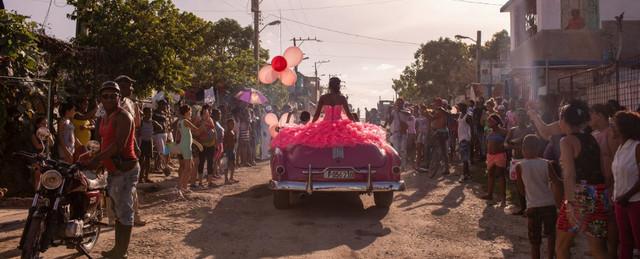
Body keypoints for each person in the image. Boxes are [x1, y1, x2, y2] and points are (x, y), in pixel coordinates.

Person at [81, 81, 139, 259]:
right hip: (113, 169)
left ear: (119, 98)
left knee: (124, 211)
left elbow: (118, 145)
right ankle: (118, 250)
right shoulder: (104, 117)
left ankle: (121, 253)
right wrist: (92, 157)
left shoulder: (123, 116)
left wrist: (97, 159)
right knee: (118, 211)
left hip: (125, 169)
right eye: (105, 96)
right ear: (100, 99)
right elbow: (102, 143)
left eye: (113, 95)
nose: (109, 99)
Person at [554, 100, 609, 259]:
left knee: (562, 247)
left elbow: (569, 174)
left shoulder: (566, 141)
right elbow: (602, 168)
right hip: (599, 193)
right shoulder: (592, 138)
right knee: (598, 249)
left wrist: (570, 203)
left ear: (564, 120)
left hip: (579, 196)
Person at [272, 77, 386, 151]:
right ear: (338, 86)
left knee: (321, 146)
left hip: (325, 125)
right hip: (340, 125)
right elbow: (349, 115)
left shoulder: (323, 97)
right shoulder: (341, 98)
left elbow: (316, 115)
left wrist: (310, 126)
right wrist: (358, 126)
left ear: (329, 86)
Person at [516, 134, 562, 259]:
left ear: (523, 149)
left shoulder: (519, 166)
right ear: (538, 148)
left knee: (534, 241)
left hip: (533, 206)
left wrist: (528, 197)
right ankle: (550, 257)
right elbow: (557, 182)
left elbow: (520, 189)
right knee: (551, 234)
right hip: (549, 204)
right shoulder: (547, 164)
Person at [590, 103, 622, 258]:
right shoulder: (595, 134)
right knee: (599, 216)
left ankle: (611, 252)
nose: (589, 118)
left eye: (592, 114)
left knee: (610, 219)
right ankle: (599, 248)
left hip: (609, 183)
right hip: (598, 183)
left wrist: (611, 178)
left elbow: (616, 157)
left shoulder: (610, 133)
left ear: (600, 115)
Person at [611, 111, 640, 259]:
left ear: (623, 128)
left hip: (636, 202)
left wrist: (626, 196)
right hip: (620, 202)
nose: (612, 129)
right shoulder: (620, 148)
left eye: (614, 125)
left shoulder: (637, 147)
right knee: (625, 242)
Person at [505, 109, 536, 215]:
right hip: (515, 160)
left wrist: (513, 143)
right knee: (518, 186)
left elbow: (532, 144)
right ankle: (523, 207)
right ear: (516, 117)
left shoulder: (529, 130)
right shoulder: (512, 130)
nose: (521, 117)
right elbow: (505, 143)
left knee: (528, 185)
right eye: (519, 115)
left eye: (523, 115)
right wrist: (516, 144)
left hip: (526, 160)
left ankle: (529, 207)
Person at [481, 114, 508, 206]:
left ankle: (503, 198)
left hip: (499, 155)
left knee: (501, 175)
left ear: (496, 122)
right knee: (491, 174)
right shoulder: (489, 132)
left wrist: (504, 144)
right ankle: (490, 194)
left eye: (490, 121)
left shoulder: (503, 132)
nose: (488, 122)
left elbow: (508, 138)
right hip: (490, 156)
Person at [175, 105, 199, 196]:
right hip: (186, 147)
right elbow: (197, 130)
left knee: (189, 167)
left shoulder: (180, 121)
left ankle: (183, 187)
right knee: (187, 168)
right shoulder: (185, 121)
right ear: (186, 112)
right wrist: (204, 123)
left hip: (184, 145)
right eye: (190, 112)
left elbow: (184, 136)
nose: (191, 113)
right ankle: (180, 187)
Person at [383, 98, 410, 168]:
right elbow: (390, 121)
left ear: (403, 104)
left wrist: (399, 111)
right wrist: (389, 113)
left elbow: (409, 113)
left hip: (404, 133)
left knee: (403, 150)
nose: (399, 104)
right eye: (398, 103)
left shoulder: (406, 110)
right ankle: (396, 165)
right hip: (396, 133)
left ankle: (403, 166)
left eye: (400, 103)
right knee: (396, 150)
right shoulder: (394, 111)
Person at [30, 117, 54, 189]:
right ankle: (36, 192)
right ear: (37, 125)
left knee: (48, 174)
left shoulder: (48, 134)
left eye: (46, 124)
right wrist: (46, 145)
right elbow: (38, 146)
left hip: (47, 157)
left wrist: (49, 136)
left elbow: (52, 143)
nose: (45, 125)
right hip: (37, 157)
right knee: (38, 174)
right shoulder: (34, 135)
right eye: (43, 124)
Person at [196, 105, 217, 188]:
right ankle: (200, 182)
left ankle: (209, 182)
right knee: (201, 162)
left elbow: (214, 131)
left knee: (210, 162)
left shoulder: (211, 120)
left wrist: (215, 143)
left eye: (207, 111)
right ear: (202, 113)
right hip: (202, 144)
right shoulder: (199, 121)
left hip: (211, 144)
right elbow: (197, 133)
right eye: (204, 112)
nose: (207, 113)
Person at [138, 107, 158, 183]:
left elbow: (160, 127)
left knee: (148, 160)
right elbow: (138, 131)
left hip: (149, 141)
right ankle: (140, 178)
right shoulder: (141, 122)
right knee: (141, 160)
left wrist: (154, 132)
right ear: (144, 113)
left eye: (151, 112)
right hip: (143, 142)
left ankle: (146, 177)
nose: (150, 114)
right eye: (148, 112)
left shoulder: (152, 122)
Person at [152, 100, 171, 176]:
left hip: (164, 133)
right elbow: (151, 121)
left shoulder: (164, 113)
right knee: (161, 151)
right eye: (163, 104)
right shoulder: (155, 112)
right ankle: (162, 167)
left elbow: (166, 124)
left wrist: (168, 132)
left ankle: (159, 166)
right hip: (158, 134)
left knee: (162, 152)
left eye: (165, 105)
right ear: (159, 105)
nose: (164, 106)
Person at [457, 103, 472, 182]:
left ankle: (463, 175)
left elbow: (471, 127)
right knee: (464, 158)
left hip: (465, 139)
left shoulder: (468, 116)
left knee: (464, 159)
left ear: (464, 108)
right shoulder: (460, 115)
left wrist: (471, 138)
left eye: (460, 107)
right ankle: (468, 174)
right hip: (461, 138)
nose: (459, 108)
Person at [224, 118, 238, 184]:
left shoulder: (233, 132)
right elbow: (225, 142)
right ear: (227, 125)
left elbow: (234, 141)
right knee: (226, 164)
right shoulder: (226, 132)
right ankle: (226, 179)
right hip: (228, 150)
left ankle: (231, 178)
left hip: (232, 149)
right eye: (231, 124)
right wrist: (224, 151)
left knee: (233, 164)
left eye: (233, 124)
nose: (232, 125)